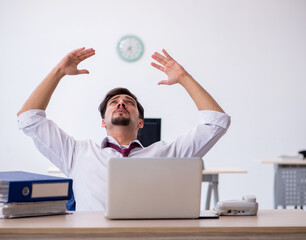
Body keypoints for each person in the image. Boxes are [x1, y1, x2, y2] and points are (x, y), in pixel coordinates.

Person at [17, 47, 231, 211]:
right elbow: (29, 119)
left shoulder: (167, 154)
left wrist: (184, 78)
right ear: (103, 122)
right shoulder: (76, 153)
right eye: (114, 102)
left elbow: (217, 122)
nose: (121, 103)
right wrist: (58, 72)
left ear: (140, 122)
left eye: (128, 102)